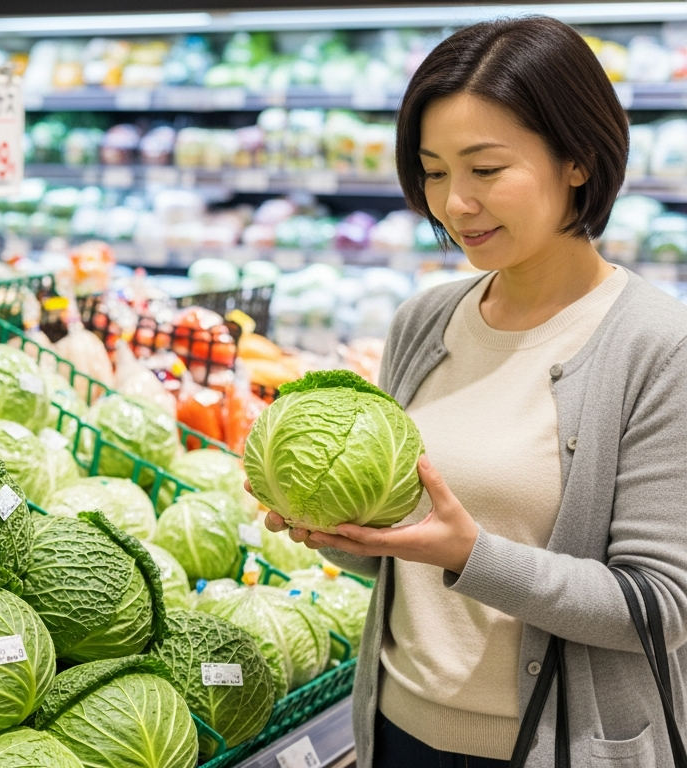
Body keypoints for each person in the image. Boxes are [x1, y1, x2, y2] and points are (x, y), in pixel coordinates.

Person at [261, 17, 687, 767]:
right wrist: (343, 535)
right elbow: (409, 557)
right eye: (432, 170)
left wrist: (472, 554)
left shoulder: (657, 343)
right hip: (393, 729)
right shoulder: (423, 322)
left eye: (485, 170)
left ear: (578, 161)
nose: (454, 203)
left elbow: (657, 605)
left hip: (552, 747)